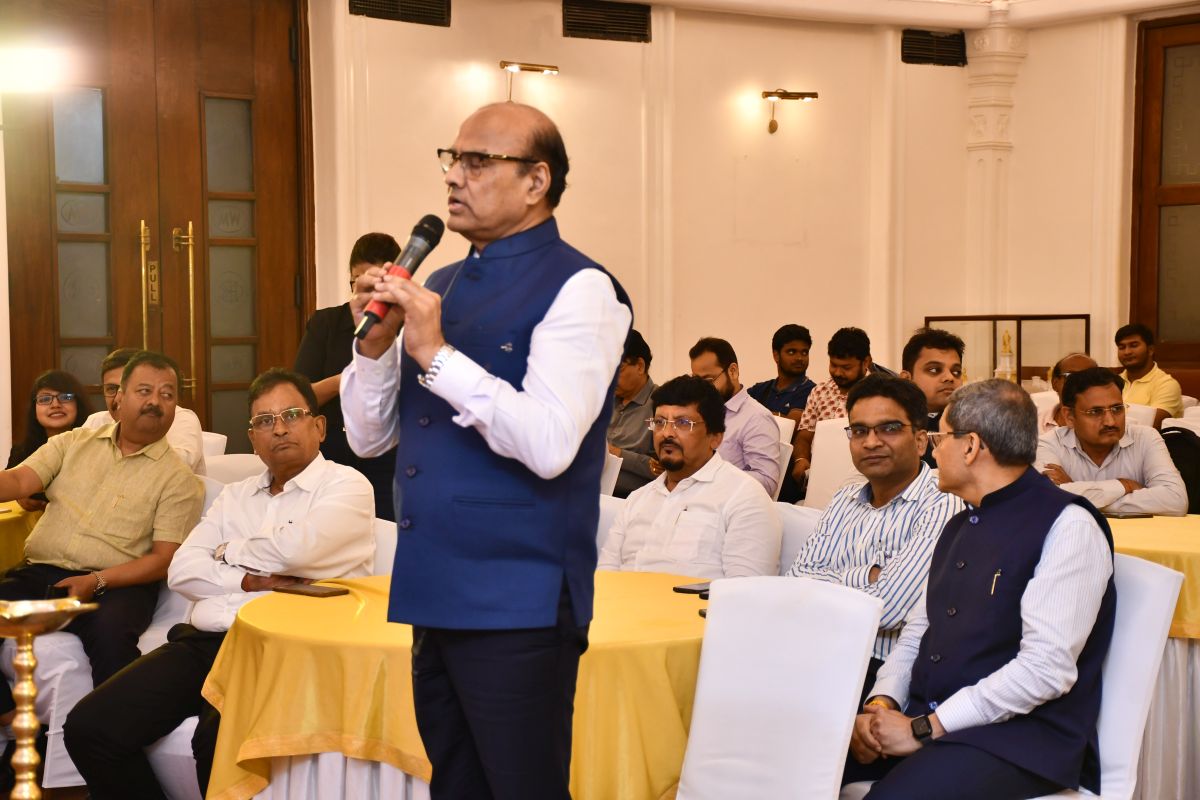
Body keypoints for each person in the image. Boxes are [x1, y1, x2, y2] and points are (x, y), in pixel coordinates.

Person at [340, 102, 631, 799]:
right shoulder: (438, 284)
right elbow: (369, 438)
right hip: (433, 585)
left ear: (536, 181)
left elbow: (551, 444)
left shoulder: (581, 288)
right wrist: (375, 351)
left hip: (519, 597)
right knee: (456, 786)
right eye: (452, 159)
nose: (454, 176)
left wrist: (435, 354)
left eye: (478, 162)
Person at [64, 368, 376, 800]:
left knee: (216, 745)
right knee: (90, 728)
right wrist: (248, 579)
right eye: (264, 421)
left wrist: (226, 550)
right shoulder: (235, 496)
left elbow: (295, 550)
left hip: (289, 650)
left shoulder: (347, 486)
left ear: (319, 426)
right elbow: (182, 569)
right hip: (207, 643)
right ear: (252, 438)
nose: (279, 429)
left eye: (291, 415)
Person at [843, 379, 1116, 799]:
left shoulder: (1067, 525)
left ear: (970, 446)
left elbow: (1044, 670)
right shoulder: (960, 522)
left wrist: (924, 729)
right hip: (932, 719)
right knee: (799, 759)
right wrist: (882, 705)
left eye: (940, 439)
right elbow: (920, 630)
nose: (934, 452)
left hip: (1018, 739)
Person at [0, 351, 204, 726]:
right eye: (144, 391)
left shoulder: (180, 480)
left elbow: (162, 560)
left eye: (167, 394)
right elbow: (18, 481)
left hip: (117, 586)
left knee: (112, 640)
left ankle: (112, 744)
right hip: (40, 572)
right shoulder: (73, 442)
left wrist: (96, 580)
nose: (156, 401)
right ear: (118, 399)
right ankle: (10, 719)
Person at [786, 376, 961, 699]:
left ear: (920, 441)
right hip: (814, 653)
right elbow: (796, 581)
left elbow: (889, 609)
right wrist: (869, 575)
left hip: (882, 673)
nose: (870, 442)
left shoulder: (941, 503)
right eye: (859, 431)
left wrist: (827, 581)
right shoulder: (844, 498)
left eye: (889, 429)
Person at [599, 375, 781, 578]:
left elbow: (744, 590)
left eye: (683, 423)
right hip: (621, 597)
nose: (667, 433)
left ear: (715, 437)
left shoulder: (744, 497)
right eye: (659, 422)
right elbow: (604, 575)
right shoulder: (637, 499)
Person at [294, 232, 401, 520]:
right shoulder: (327, 323)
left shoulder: (409, 325)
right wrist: (346, 380)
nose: (366, 294)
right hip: (331, 455)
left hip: (393, 459)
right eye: (357, 282)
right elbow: (299, 398)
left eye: (376, 284)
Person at [1035, 367, 1187, 516]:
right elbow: (1045, 499)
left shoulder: (1145, 438)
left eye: (1117, 409)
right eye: (1095, 412)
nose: (1110, 421)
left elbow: (1176, 500)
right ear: (1069, 416)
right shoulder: (1048, 444)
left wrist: (1073, 493)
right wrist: (1124, 485)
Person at [83, 347, 206, 474]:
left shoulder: (181, 419)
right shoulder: (96, 421)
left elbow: (175, 470)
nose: (119, 397)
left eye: (125, 388)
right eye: (111, 389)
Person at [689, 337, 781, 497]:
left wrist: (712, 478)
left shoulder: (757, 418)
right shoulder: (701, 412)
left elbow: (767, 482)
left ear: (733, 371)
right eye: (697, 382)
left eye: (708, 381)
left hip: (728, 504)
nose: (702, 389)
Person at [792, 326, 873, 482]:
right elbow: (805, 436)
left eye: (846, 368)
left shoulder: (879, 394)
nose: (838, 373)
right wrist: (801, 459)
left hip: (863, 479)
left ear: (866, 362)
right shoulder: (819, 391)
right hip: (821, 479)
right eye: (833, 365)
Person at [6, 369, 93, 511]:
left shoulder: (95, 448)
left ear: (78, 404)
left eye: (65, 397)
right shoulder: (21, 451)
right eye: (45, 399)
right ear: (34, 409)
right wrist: (17, 496)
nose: (55, 404)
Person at [898, 328, 964, 468]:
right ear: (907, 379)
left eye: (956, 372)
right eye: (934, 370)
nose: (949, 377)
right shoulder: (892, 428)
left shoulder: (972, 427)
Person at [607, 328, 657, 498]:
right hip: (590, 493)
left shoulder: (661, 404)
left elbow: (662, 468)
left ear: (640, 366)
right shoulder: (604, 402)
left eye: (618, 369)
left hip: (634, 500)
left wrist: (617, 454)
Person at [1115, 322, 1183, 427]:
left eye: (1134, 345)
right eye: (1122, 347)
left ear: (1150, 350)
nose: (1127, 352)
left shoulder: (1166, 384)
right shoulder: (1112, 382)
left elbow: (1150, 425)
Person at [748, 323, 817, 422]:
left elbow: (791, 425)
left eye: (804, 352)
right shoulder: (760, 390)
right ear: (776, 355)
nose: (799, 358)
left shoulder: (813, 391)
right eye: (792, 352)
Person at [1040, 353, 1098, 432]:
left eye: (1089, 377)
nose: (1080, 383)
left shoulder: (1107, 424)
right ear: (1055, 383)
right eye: (1071, 377)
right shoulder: (1034, 422)